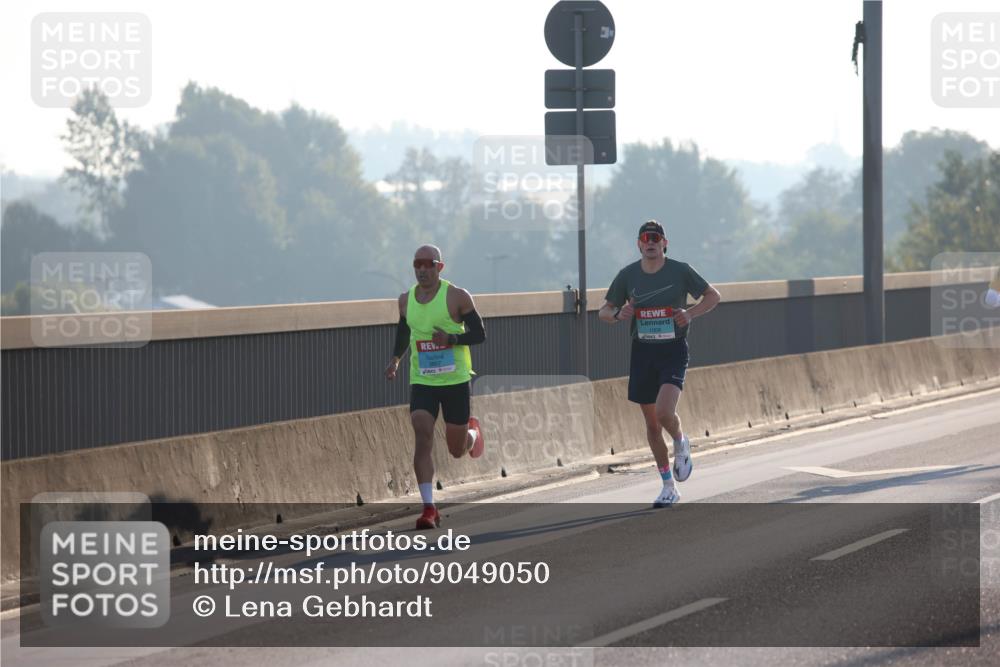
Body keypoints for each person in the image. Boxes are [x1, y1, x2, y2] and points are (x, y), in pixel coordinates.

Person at [599, 221, 721, 508]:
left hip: (672, 349)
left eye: (656, 238)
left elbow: (713, 296)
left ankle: (680, 440)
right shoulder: (627, 275)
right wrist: (619, 314)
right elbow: (603, 312)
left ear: (664, 243)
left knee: (666, 412)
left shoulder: (679, 270)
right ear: (639, 244)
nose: (650, 242)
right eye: (645, 238)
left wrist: (690, 314)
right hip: (642, 352)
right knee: (652, 425)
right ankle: (668, 486)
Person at [385, 245, 487, 529]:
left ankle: (471, 433)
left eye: (428, 264)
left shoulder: (457, 297)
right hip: (423, 380)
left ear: (439, 267)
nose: (422, 269)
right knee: (422, 431)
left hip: (455, 381)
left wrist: (452, 340)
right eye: (417, 263)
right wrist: (395, 360)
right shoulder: (405, 300)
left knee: (456, 450)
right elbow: (404, 330)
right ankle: (429, 508)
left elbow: (480, 334)